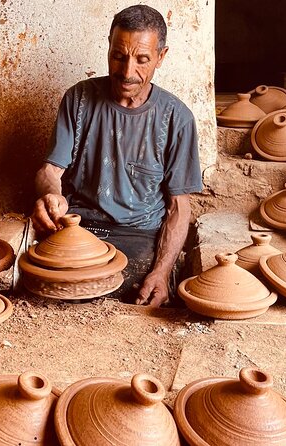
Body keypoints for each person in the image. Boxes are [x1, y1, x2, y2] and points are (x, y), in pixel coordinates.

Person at [30, 4, 203, 307]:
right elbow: (50, 171)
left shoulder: (177, 118)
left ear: (161, 57)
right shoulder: (78, 99)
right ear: (109, 47)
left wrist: (161, 272)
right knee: (41, 284)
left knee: (129, 289)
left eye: (142, 60)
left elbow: (179, 206)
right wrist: (51, 197)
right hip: (77, 226)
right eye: (118, 57)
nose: (127, 72)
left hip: (139, 235)